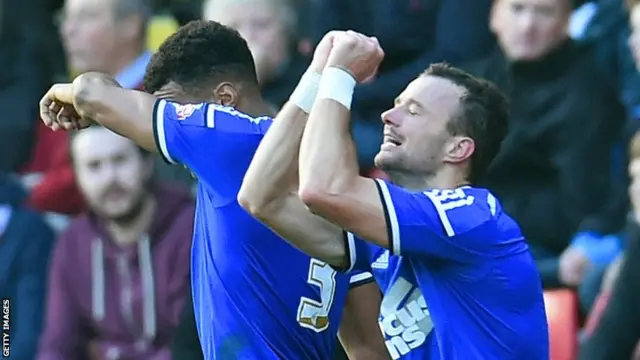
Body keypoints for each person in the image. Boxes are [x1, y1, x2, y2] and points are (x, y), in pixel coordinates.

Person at [39, 21, 386, 360]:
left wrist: (64, 92)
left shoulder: (226, 139)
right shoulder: (336, 185)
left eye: (176, 109)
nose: (172, 126)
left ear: (224, 99)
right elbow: (367, 347)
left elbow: (90, 93)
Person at [239, 30, 549, 359]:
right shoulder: (385, 234)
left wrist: (340, 77)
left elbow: (323, 189)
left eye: (413, 111)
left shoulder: (472, 217)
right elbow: (260, 196)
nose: (389, 116)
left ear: (457, 149)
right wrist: (316, 77)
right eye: (396, 104)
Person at [37, 126, 194, 360]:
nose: (109, 178)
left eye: (119, 160)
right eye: (94, 166)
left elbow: (198, 344)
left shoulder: (190, 229)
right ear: (77, 177)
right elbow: (57, 345)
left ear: (146, 164)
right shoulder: (73, 244)